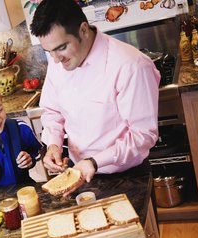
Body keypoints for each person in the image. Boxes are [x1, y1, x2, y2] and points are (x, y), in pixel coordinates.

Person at [30, 0, 161, 194]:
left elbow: (143, 135)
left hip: (127, 177)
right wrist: (53, 145)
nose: (56, 59)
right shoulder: (57, 62)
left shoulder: (131, 65)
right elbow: (53, 111)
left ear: (83, 30)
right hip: (78, 174)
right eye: (49, 52)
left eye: (61, 48)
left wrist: (94, 162)